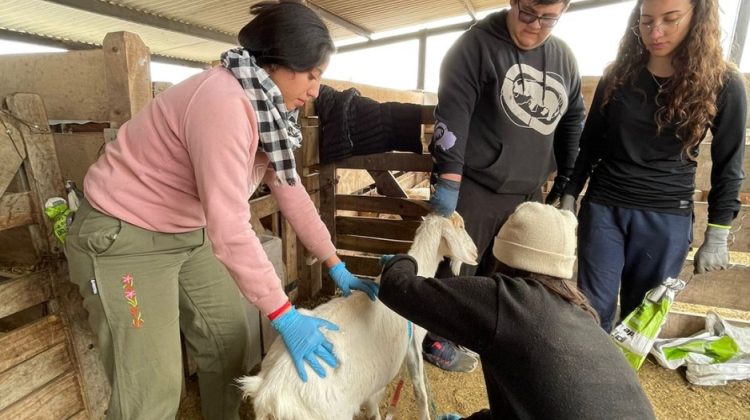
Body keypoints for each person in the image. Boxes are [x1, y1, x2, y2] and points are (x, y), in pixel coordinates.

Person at [64, 1, 378, 419]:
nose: (316, 89)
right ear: (277, 65)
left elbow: (291, 192)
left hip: (185, 231)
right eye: (312, 75)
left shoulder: (269, 112)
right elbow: (230, 227)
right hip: (125, 237)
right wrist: (284, 313)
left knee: (227, 341)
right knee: (151, 388)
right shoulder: (224, 103)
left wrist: (334, 263)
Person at [560, 0, 747, 331]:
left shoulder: (722, 82)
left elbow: (728, 163)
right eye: (646, 22)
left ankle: (623, 378)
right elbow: (590, 143)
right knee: (592, 307)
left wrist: (718, 231)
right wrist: (571, 193)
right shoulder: (618, 76)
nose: (655, 32)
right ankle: (589, 379)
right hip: (606, 207)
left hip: (666, 214)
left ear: (697, 18)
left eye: (670, 20)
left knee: (641, 316)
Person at [379, 202, 656, 419]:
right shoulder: (579, 311)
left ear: (506, 253)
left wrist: (401, 260)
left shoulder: (506, 299)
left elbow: (397, 287)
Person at [425, 0, 586, 371]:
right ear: (513, 1)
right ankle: (436, 338)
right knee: (456, 265)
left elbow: (573, 120)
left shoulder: (563, 57)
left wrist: (566, 185)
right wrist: (448, 183)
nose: (535, 25)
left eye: (549, 19)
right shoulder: (475, 45)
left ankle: (485, 334)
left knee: (512, 272)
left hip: (530, 190)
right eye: (527, 12)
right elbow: (453, 114)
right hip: (476, 185)